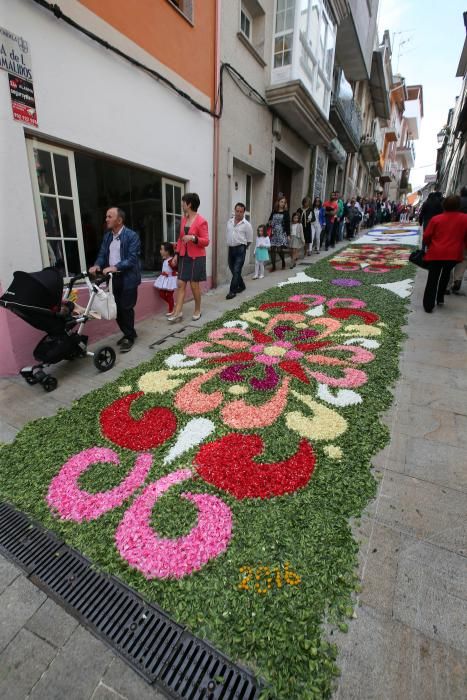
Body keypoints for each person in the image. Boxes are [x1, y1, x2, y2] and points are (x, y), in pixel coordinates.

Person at [89, 207, 141, 353]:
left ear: (119, 220)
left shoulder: (132, 236)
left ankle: (129, 337)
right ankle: (128, 332)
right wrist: (98, 264)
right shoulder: (107, 237)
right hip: (112, 279)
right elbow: (102, 253)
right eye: (106, 216)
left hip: (128, 278)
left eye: (109, 216)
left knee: (126, 308)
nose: (106, 219)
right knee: (116, 309)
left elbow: (132, 259)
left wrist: (115, 267)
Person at [422, 195, 467, 313]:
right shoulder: (465, 219)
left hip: (436, 252)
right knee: (446, 274)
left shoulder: (436, 219)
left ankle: (428, 305)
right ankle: (440, 298)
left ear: (444, 205)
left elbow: (426, 236)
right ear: (458, 206)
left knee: (433, 278)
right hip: (453, 254)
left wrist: (429, 245)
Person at [169, 192, 209, 322]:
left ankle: (197, 309)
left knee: (194, 285)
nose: (181, 204)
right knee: (180, 283)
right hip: (183, 256)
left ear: (189, 204)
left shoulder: (201, 221)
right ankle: (177, 312)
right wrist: (176, 254)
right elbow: (180, 239)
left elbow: (206, 241)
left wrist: (193, 238)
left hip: (197, 257)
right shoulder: (184, 219)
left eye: (183, 202)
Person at [225, 202, 253, 299]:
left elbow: (249, 240)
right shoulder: (229, 222)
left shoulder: (247, 225)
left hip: (240, 249)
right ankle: (241, 285)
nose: (238, 213)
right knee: (233, 269)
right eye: (237, 211)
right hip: (231, 248)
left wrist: (243, 247)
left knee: (237, 270)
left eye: (241, 211)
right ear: (234, 210)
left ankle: (232, 291)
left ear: (243, 212)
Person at [154, 242, 177, 316]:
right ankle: (172, 304)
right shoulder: (164, 260)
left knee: (170, 296)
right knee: (161, 294)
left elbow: (175, 268)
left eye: (161, 249)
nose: (160, 251)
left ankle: (171, 309)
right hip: (164, 279)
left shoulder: (171, 260)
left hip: (170, 280)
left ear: (167, 251)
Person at [268, 196, 290, 270]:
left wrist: (288, 235)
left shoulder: (286, 212)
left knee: (279, 249)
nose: (283, 204)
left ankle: (283, 261)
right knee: (272, 249)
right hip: (274, 232)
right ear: (278, 202)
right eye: (281, 202)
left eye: (284, 202)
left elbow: (287, 224)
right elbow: (269, 220)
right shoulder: (274, 211)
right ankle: (273, 266)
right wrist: (270, 223)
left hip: (281, 232)